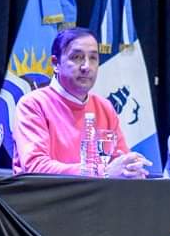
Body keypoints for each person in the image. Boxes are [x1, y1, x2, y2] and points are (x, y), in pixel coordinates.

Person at [12, 27, 150, 178]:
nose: (86, 67)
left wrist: (130, 168)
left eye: (93, 58)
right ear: (55, 63)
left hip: (97, 199)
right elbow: (35, 166)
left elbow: (119, 161)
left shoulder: (104, 107)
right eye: (77, 57)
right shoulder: (33, 104)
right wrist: (102, 172)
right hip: (45, 199)